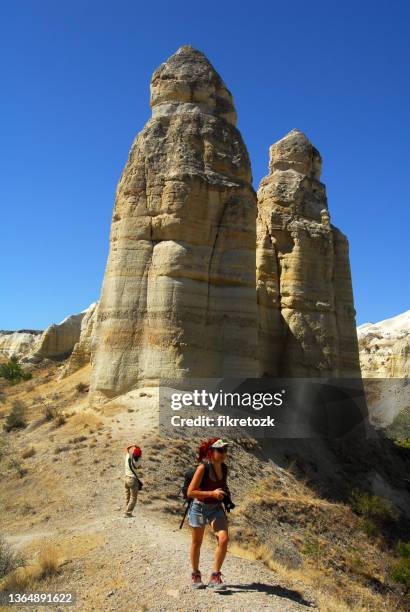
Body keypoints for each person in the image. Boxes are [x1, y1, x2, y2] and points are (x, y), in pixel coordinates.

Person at [187, 437, 230, 591]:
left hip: (215, 507)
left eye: (225, 450)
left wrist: (224, 497)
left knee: (223, 539)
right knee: (197, 542)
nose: (224, 453)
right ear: (212, 452)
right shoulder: (203, 468)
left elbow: (222, 486)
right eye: (220, 450)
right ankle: (195, 574)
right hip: (199, 506)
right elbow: (191, 492)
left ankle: (215, 575)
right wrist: (212, 493)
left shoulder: (224, 468)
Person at [124, 444, 142, 517]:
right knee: (133, 497)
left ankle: (126, 509)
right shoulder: (138, 462)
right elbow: (139, 467)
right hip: (133, 480)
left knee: (127, 495)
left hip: (126, 478)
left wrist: (133, 446)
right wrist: (138, 448)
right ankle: (127, 513)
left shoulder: (128, 457)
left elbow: (126, 449)